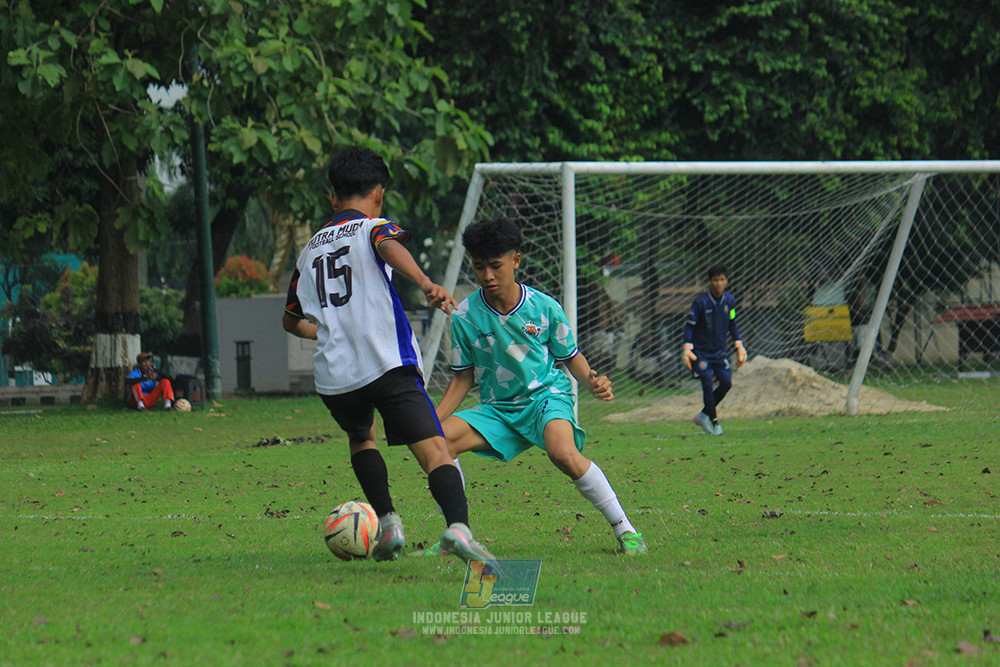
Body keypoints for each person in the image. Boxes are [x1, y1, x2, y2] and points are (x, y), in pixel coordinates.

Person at [282, 146, 496, 564]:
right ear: (379, 194)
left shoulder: (308, 251)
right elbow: (386, 245)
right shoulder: (372, 226)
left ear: (332, 198)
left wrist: (325, 329)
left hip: (336, 377)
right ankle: (458, 528)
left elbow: (290, 320)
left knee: (362, 437)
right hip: (386, 363)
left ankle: (389, 523)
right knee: (435, 448)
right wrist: (424, 281)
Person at [414, 216, 648, 557]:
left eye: (496, 266)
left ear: (515, 261)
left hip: (545, 398)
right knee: (438, 444)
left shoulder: (544, 307)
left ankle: (626, 530)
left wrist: (592, 380)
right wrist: (431, 421)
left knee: (563, 453)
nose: (488, 276)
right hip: (498, 409)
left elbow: (571, 355)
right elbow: (464, 377)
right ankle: (457, 535)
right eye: (479, 267)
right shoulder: (464, 315)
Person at [683, 264, 747, 436]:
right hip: (701, 353)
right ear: (710, 282)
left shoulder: (730, 301)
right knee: (707, 382)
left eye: (722, 279)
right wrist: (687, 347)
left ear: (726, 281)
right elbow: (690, 326)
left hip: (720, 353)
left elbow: (732, 322)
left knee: (726, 383)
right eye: (715, 280)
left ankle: (703, 415)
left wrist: (739, 344)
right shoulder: (701, 302)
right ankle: (715, 423)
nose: (719, 283)